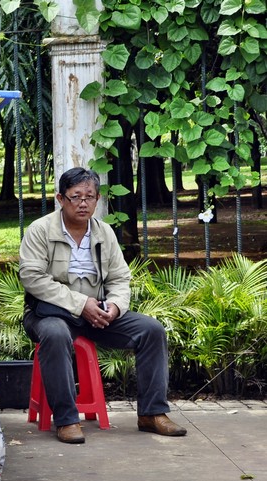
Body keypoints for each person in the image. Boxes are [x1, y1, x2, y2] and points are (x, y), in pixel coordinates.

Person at [18, 167, 186, 444]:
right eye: (75, 197)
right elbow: (32, 278)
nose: (83, 203)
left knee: (151, 330)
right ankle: (67, 420)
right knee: (56, 334)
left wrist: (115, 307)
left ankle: (152, 413)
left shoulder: (104, 232)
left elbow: (120, 278)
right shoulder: (40, 230)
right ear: (60, 199)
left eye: (90, 197)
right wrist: (81, 304)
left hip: (96, 313)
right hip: (49, 312)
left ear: (97, 199)